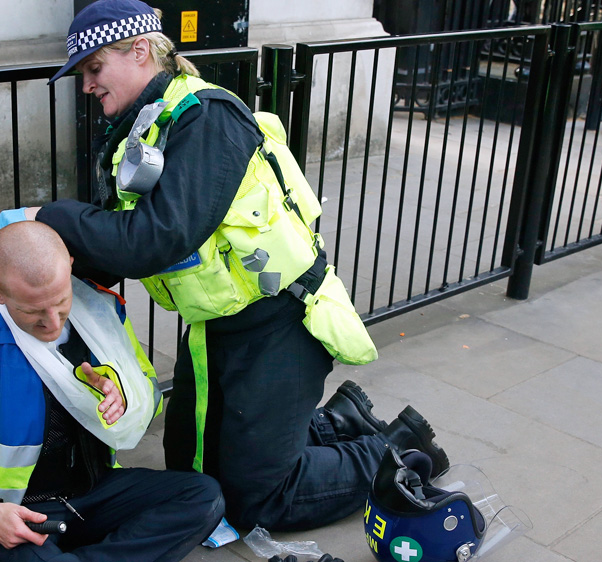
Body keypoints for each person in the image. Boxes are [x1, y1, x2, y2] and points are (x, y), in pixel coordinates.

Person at [27, 0, 451, 532]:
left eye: (94, 69)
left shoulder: (206, 119)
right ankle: (338, 421)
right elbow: (118, 248)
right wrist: (41, 264)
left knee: (259, 500)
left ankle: (395, 447)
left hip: (279, 323)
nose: (87, 85)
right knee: (193, 473)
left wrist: (51, 215)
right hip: (217, 328)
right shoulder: (146, 127)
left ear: (140, 52)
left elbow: (153, 240)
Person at [0, 220, 224, 562]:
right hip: (0, 514)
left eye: (60, 302)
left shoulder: (101, 309)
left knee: (203, 497)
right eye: (32, 311)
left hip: (87, 496)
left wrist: (124, 396)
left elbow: (148, 392)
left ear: (69, 267)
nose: (53, 324)